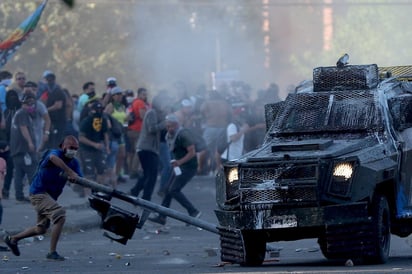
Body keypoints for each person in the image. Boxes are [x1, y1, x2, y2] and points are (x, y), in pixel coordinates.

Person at [3, 135, 82, 261]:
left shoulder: (74, 162)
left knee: (41, 229)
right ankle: (52, 252)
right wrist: (69, 172)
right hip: (38, 193)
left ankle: (13, 239)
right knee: (60, 215)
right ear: (63, 146)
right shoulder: (54, 153)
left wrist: (76, 179)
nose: (73, 150)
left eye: (76, 148)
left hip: (50, 198)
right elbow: (53, 158)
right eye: (71, 147)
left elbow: (78, 178)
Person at [149, 114, 201, 225]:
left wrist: (179, 162)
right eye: (167, 126)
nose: (169, 129)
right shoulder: (169, 135)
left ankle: (193, 212)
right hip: (179, 166)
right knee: (168, 189)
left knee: (174, 190)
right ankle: (162, 217)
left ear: (176, 125)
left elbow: (192, 152)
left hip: (189, 167)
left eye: (171, 126)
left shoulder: (183, 134)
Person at [130, 95, 166, 201]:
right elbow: (151, 128)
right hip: (147, 148)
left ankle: (135, 191)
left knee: (147, 174)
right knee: (152, 175)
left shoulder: (156, 113)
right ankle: (146, 198)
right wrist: (164, 124)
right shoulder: (152, 113)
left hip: (149, 148)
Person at [9, 93, 38, 202]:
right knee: (32, 171)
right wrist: (30, 142)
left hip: (17, 149)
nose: (31, 106)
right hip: (24, 149)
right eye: (29, 104)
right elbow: (23, 128)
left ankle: (19, 195)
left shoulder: (19, 113)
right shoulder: (23, 114)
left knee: (19, 173)